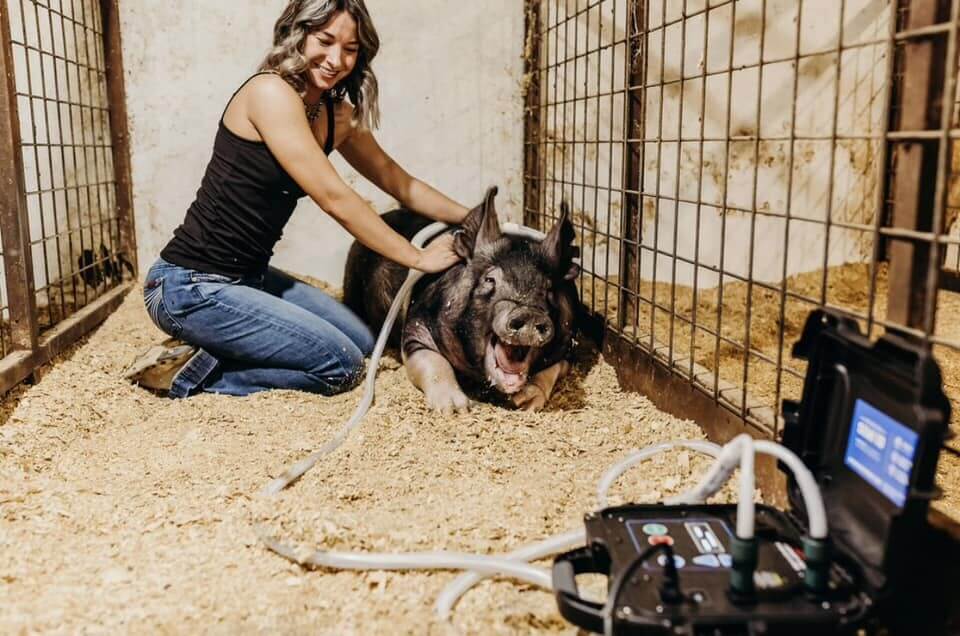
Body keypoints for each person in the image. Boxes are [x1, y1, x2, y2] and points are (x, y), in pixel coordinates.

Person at [124, 0, 468, 397]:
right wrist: (417, 257)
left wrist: (472, 215)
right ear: (297, 34)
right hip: (189, 285)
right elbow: (332, 195)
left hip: (248, 279)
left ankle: (213, 346)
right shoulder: (269, 92)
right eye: (324, 40)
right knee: (341, 366)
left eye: (351, 49)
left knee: (363, 342)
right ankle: (188, 374)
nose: (336, 59)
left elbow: (399, 183)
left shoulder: (335, 114)